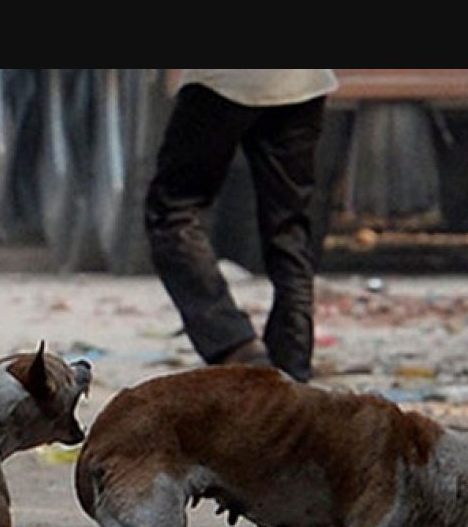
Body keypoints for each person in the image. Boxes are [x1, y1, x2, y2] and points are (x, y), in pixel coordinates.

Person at [145, 69, 338, 384]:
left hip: (223, 83)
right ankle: (293, 363)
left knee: (172, 211)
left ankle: (233, 343)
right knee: (289, 228)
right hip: (305, 83)